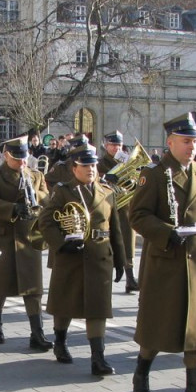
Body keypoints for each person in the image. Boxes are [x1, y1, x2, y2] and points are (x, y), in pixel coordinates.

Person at [129, 113, 196, 392]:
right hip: (166, 262)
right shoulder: (154, 175)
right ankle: (143, 370)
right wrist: (165, 233)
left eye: (194, 141)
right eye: (186, 141)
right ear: (170, 142)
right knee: (158, 326)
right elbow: (138, 215)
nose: (191, 146)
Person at [37, 144, 124, 374]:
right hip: (71, 255)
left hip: (99, 256)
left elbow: (115, 228)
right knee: (65, 304)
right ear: (74, 168)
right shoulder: (63, 191)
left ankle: (98, 358)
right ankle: (61, 343)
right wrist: (61, 244)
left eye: (94, 165)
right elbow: (46, 222)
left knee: (98, 308)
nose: (91, 169)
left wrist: (121, 260)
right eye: (85, 165)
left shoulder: (107, 191)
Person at [0, 135, 52, 350]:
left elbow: (46, 197)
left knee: (33, 287)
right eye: (17, 158)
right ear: (6, 155)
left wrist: (33, 196)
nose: (22, 162)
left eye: (24, 157)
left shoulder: (35, 175)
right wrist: (12, 208)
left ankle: (37, 332)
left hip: (27, 236)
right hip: (1, 236)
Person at [99, 130, 139, 293]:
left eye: (119, 145)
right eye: (113, 145)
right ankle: (106, 276)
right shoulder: (100, 163)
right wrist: (106, 176)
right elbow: (95, 177)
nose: (116, 148)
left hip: (125, 207)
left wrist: (132, 181)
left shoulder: (126, 161)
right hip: (108, 207)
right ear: (106, 145)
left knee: (128, 242)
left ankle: (130, 277)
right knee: (109, 242)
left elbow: (137, 178)